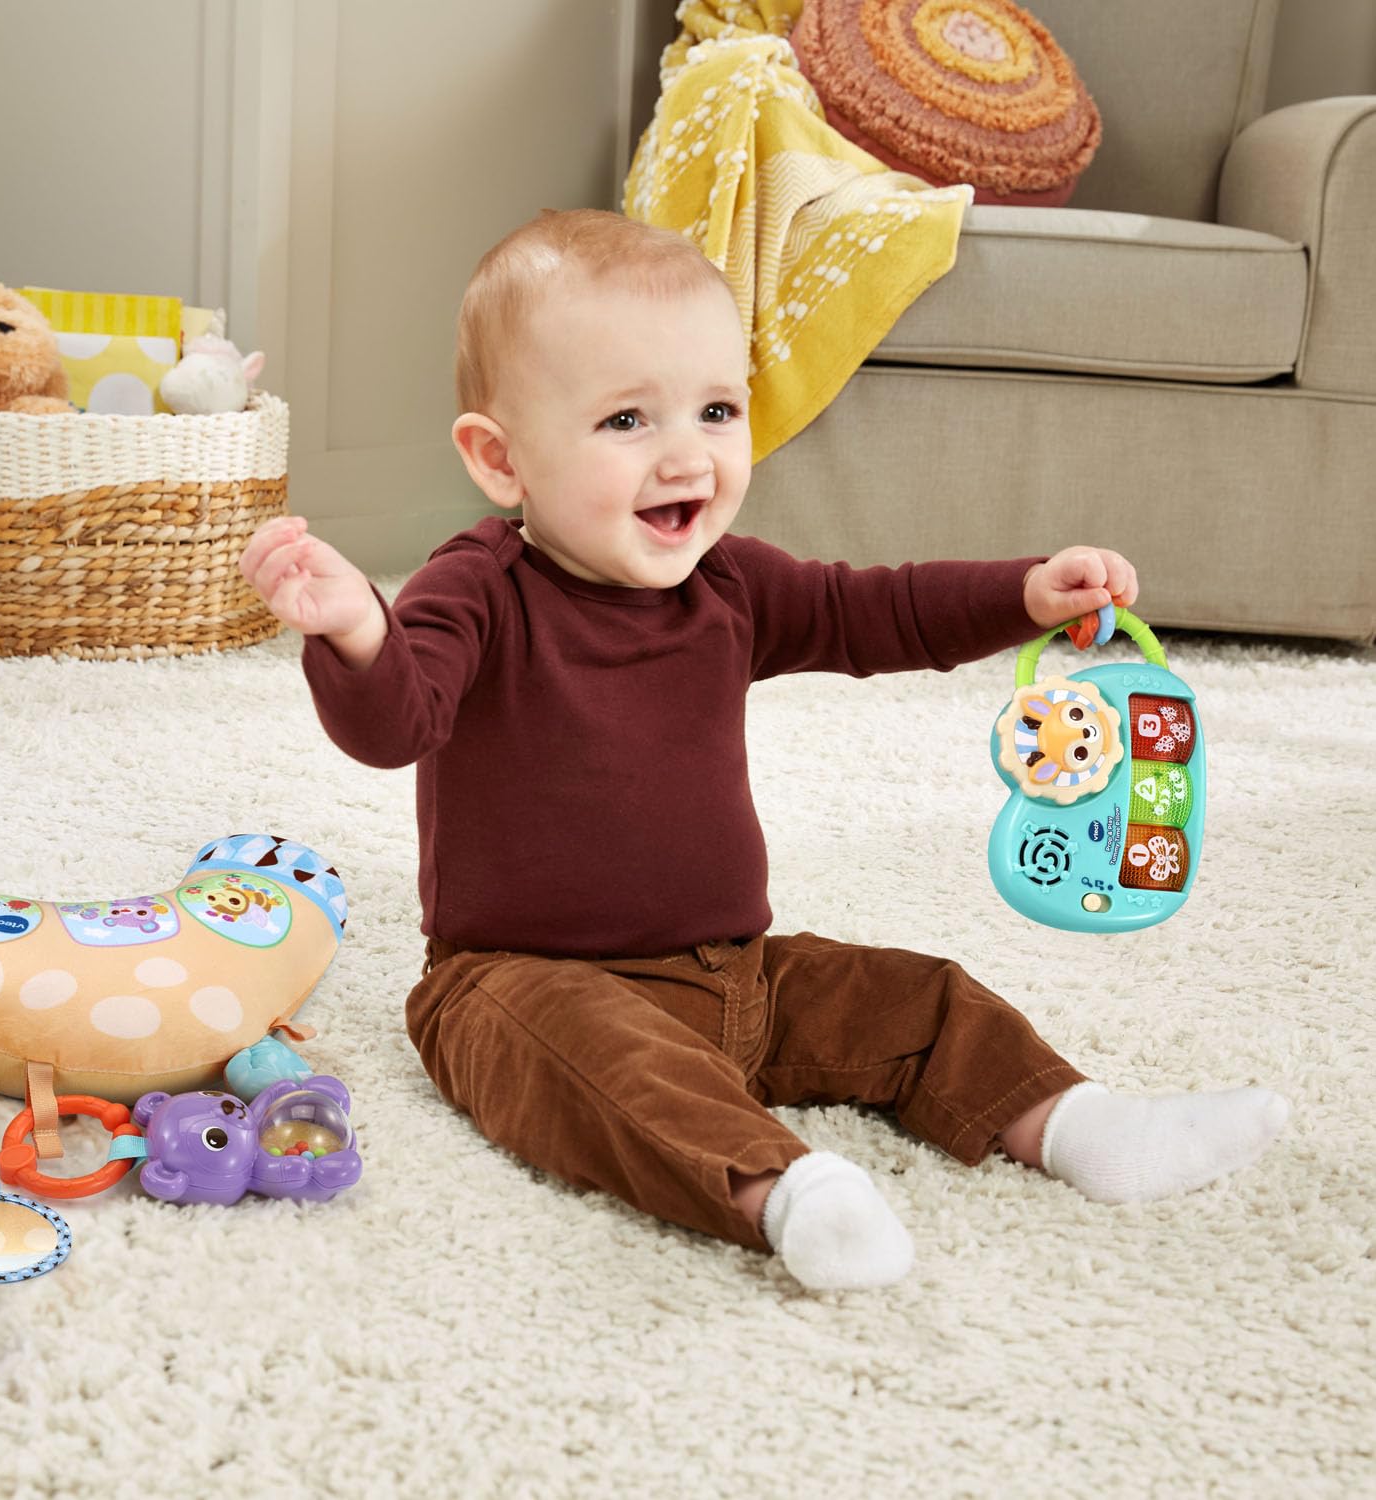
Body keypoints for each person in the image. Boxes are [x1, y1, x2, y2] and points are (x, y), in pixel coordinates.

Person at [240, 209, 1288, 1291]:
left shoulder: (730, 584)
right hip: (519, 984)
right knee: (605, 1072)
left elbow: (876, 614)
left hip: (735, 975)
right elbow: (397, 721)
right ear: (502, 461)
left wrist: (1023, 593)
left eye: (715, 409)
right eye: (626, 422)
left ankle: (1081, 1125)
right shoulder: (479, 588)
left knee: (922, 999)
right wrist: (359, 629)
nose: (686, 454)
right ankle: (785, 1192)